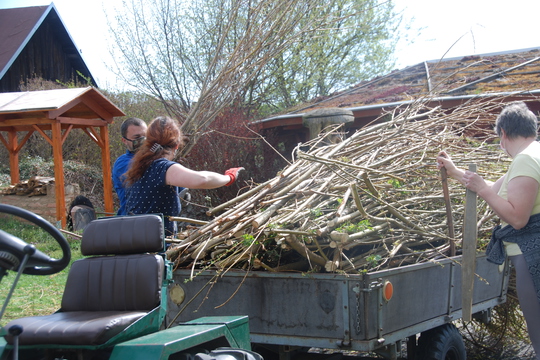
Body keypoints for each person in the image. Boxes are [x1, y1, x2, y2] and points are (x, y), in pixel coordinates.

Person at [436, 101, 540, 359]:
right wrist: (454, 170)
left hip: (531, 256)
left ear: (503, 134)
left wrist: (481, 189)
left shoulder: (526, 160)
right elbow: (493, 189)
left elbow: (517, 218)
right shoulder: (532, 154)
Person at [124, 116, 244, 237]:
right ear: (176, 145)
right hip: (153, 247)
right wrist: (229, 177)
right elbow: (203, 179)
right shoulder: (161, 167)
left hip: (134, 241)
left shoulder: (140, 166)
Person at [112, 117, 148, 215]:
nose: (143, 140)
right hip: (131, 221)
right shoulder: (122, 163)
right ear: (124, 140)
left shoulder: (155, 158)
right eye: (137, 137)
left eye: (145, 136)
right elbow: (147, 175)